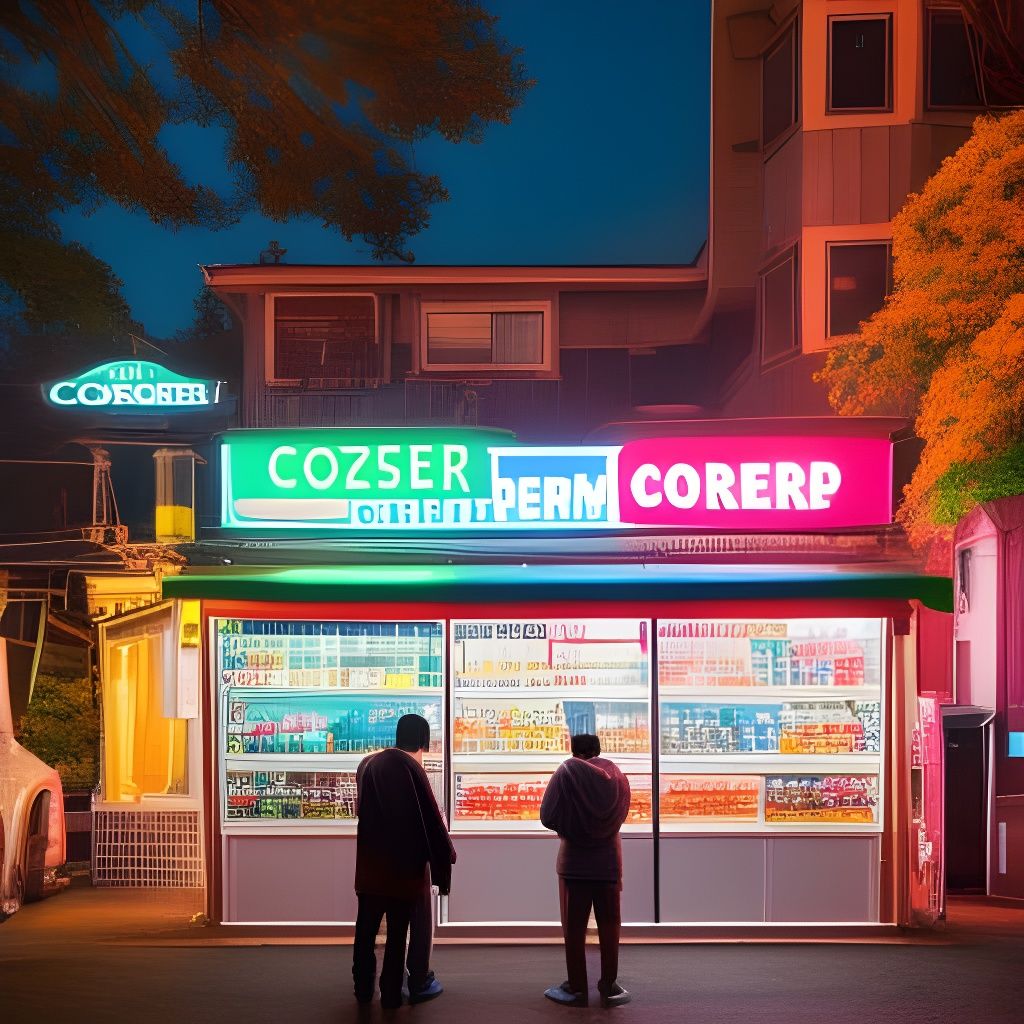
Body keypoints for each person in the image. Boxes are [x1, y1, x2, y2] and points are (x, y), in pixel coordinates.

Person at [352, 713, 455, 1008]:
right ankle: (394, 993)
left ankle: (362, 989)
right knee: (399, 934)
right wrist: (444, 856)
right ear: (424, 740)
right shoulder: (413, 769)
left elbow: (363, 811)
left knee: (365, 930)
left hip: (370, 866)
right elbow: (429, 821)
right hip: (403, 871)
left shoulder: (368, 763)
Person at [539, 733, 632, 1008]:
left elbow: (547, 815)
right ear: (599, 750)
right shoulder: (617, 776)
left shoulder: (567, 771)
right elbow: (624, 811)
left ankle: (577, 987)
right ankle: (609, 984)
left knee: (575, 928)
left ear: (574, 751)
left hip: (575, 862)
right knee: (610, 925)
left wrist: (571, 830)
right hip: (609, 861)